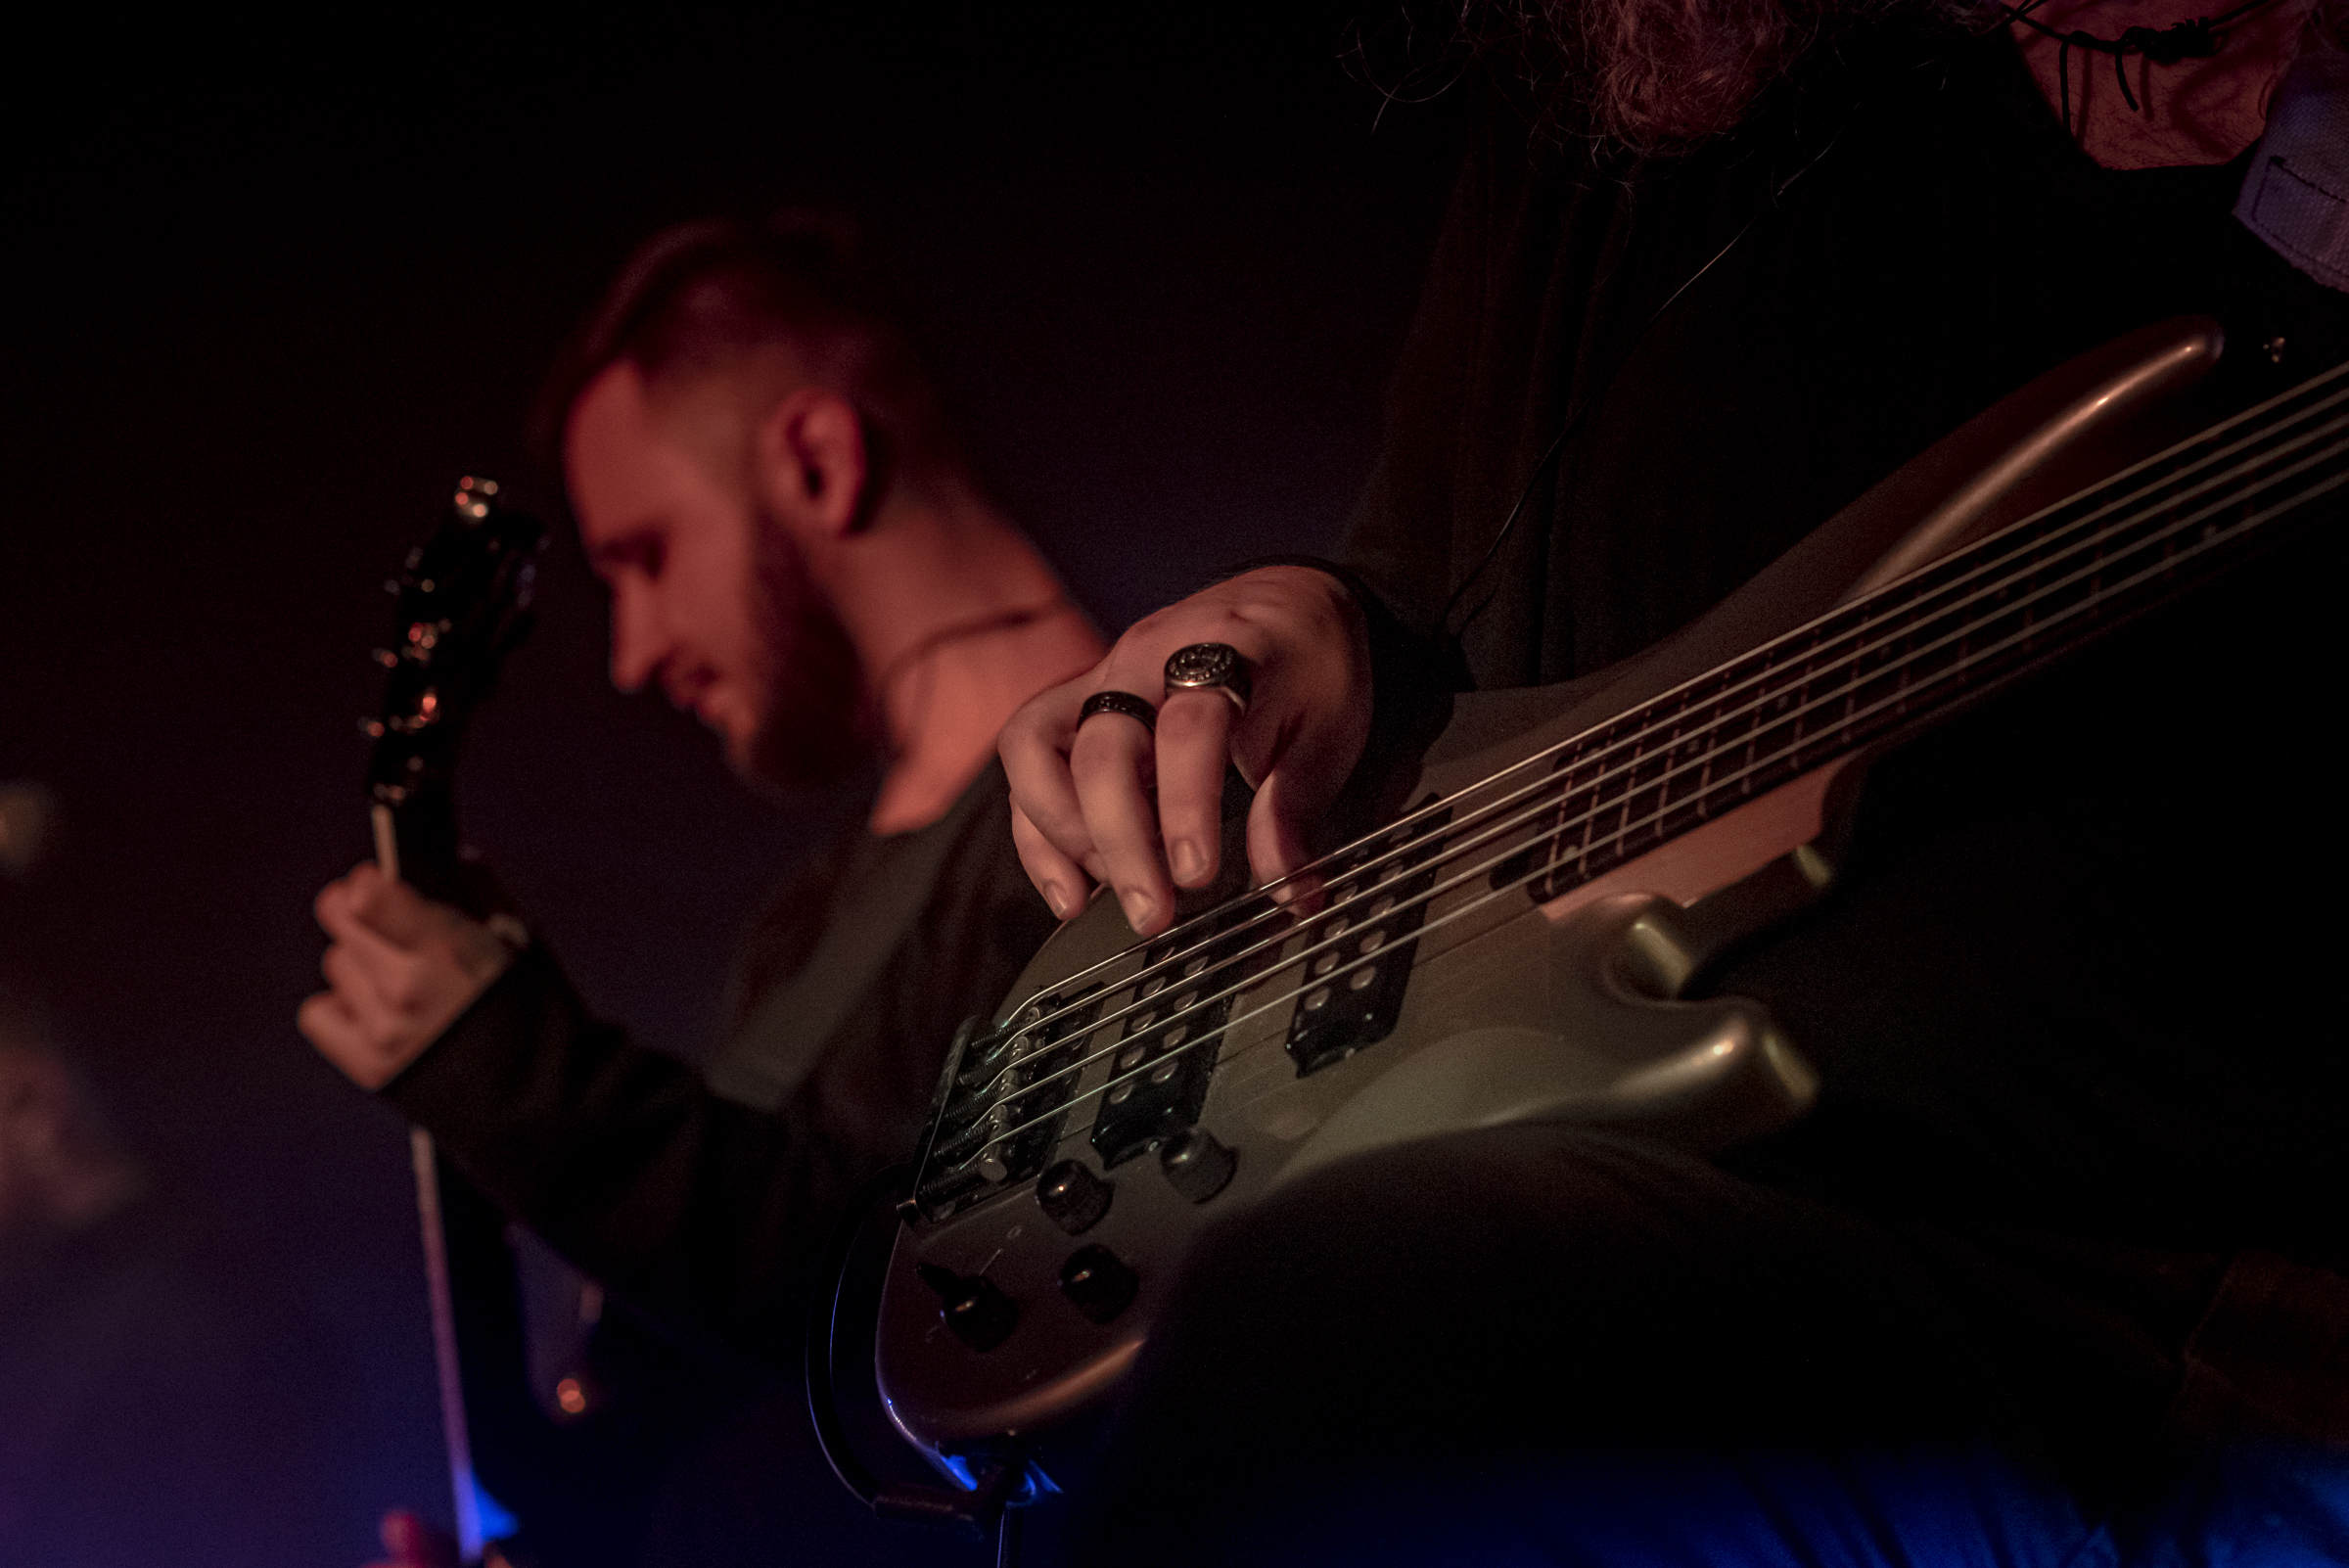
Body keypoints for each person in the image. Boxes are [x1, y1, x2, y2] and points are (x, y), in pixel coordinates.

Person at [1000, 0, 2348, 1561]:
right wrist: (1302, 616)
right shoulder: (1667, 53)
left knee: (1346, 1354)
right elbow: (1437, 584)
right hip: (1533, 1232)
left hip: (2176, 1345)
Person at [298, 216, 1105, 1564]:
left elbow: (950, 1286)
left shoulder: (1110, 803)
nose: (632, 652)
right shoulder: (802, 922)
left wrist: (523, 1077)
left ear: (818, 459)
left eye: (647, 554)